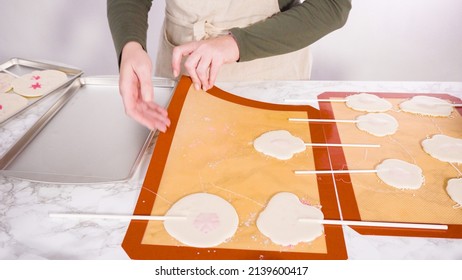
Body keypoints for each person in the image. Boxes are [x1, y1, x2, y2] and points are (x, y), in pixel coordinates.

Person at [107, 0, 351, 132]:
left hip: (268, 71)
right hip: (180, 68)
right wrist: (130, 46)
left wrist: (235, 44)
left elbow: (332, 6)